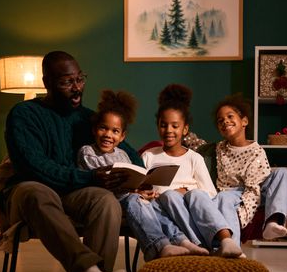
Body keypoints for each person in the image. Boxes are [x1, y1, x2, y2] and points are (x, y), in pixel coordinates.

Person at [0, 50, 134, 272]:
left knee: (105, 201)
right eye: (67, 82)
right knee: (36, 192)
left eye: (80, 79)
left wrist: (145, 176)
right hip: (28, 189)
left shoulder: (88, 118)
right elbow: (33, 167)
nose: (77, 88)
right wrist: (90, 177)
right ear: (47, 83)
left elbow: (128, 152)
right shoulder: (23, 114)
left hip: (72, 192)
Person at [76, 89, 207, 263]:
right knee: (134, 201)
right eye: (103, 128)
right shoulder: (88, 152)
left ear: (122, 136)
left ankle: (180, 240)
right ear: (94, 130)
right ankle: (160, 245)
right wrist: (133, 193)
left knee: (152, 205)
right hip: (107, 201)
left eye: (115, 131)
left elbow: (131, 181)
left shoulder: (123, 154)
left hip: (127, 198)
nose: (108, 134)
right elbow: (104, 182)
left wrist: (140, 190)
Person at [142, 84, 243, 258]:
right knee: (167, 196)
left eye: (175, 126)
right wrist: (145, 193)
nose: (169, 131)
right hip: (162, 210)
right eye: (163, 125)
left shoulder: (194, 158)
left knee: (183, 195)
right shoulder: (149, 156)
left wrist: (185, 191)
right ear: (158, 126)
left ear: (185, 129)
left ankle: (223, 240)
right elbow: (141, 186)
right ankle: (200, 245)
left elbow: (210, 194)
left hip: (189, 209)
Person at [211, 94, 287, 245]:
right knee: (222, 197)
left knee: (283, 173)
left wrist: (246, 211)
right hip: (231, 193)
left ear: (244, 121)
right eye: (220, 120)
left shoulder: (257, 151)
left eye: (230, 116)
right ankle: (232, 246)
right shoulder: (219, 148)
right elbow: (195, 144)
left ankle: (273, 221)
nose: (225, 122)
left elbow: (256, 188)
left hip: (259, 190)